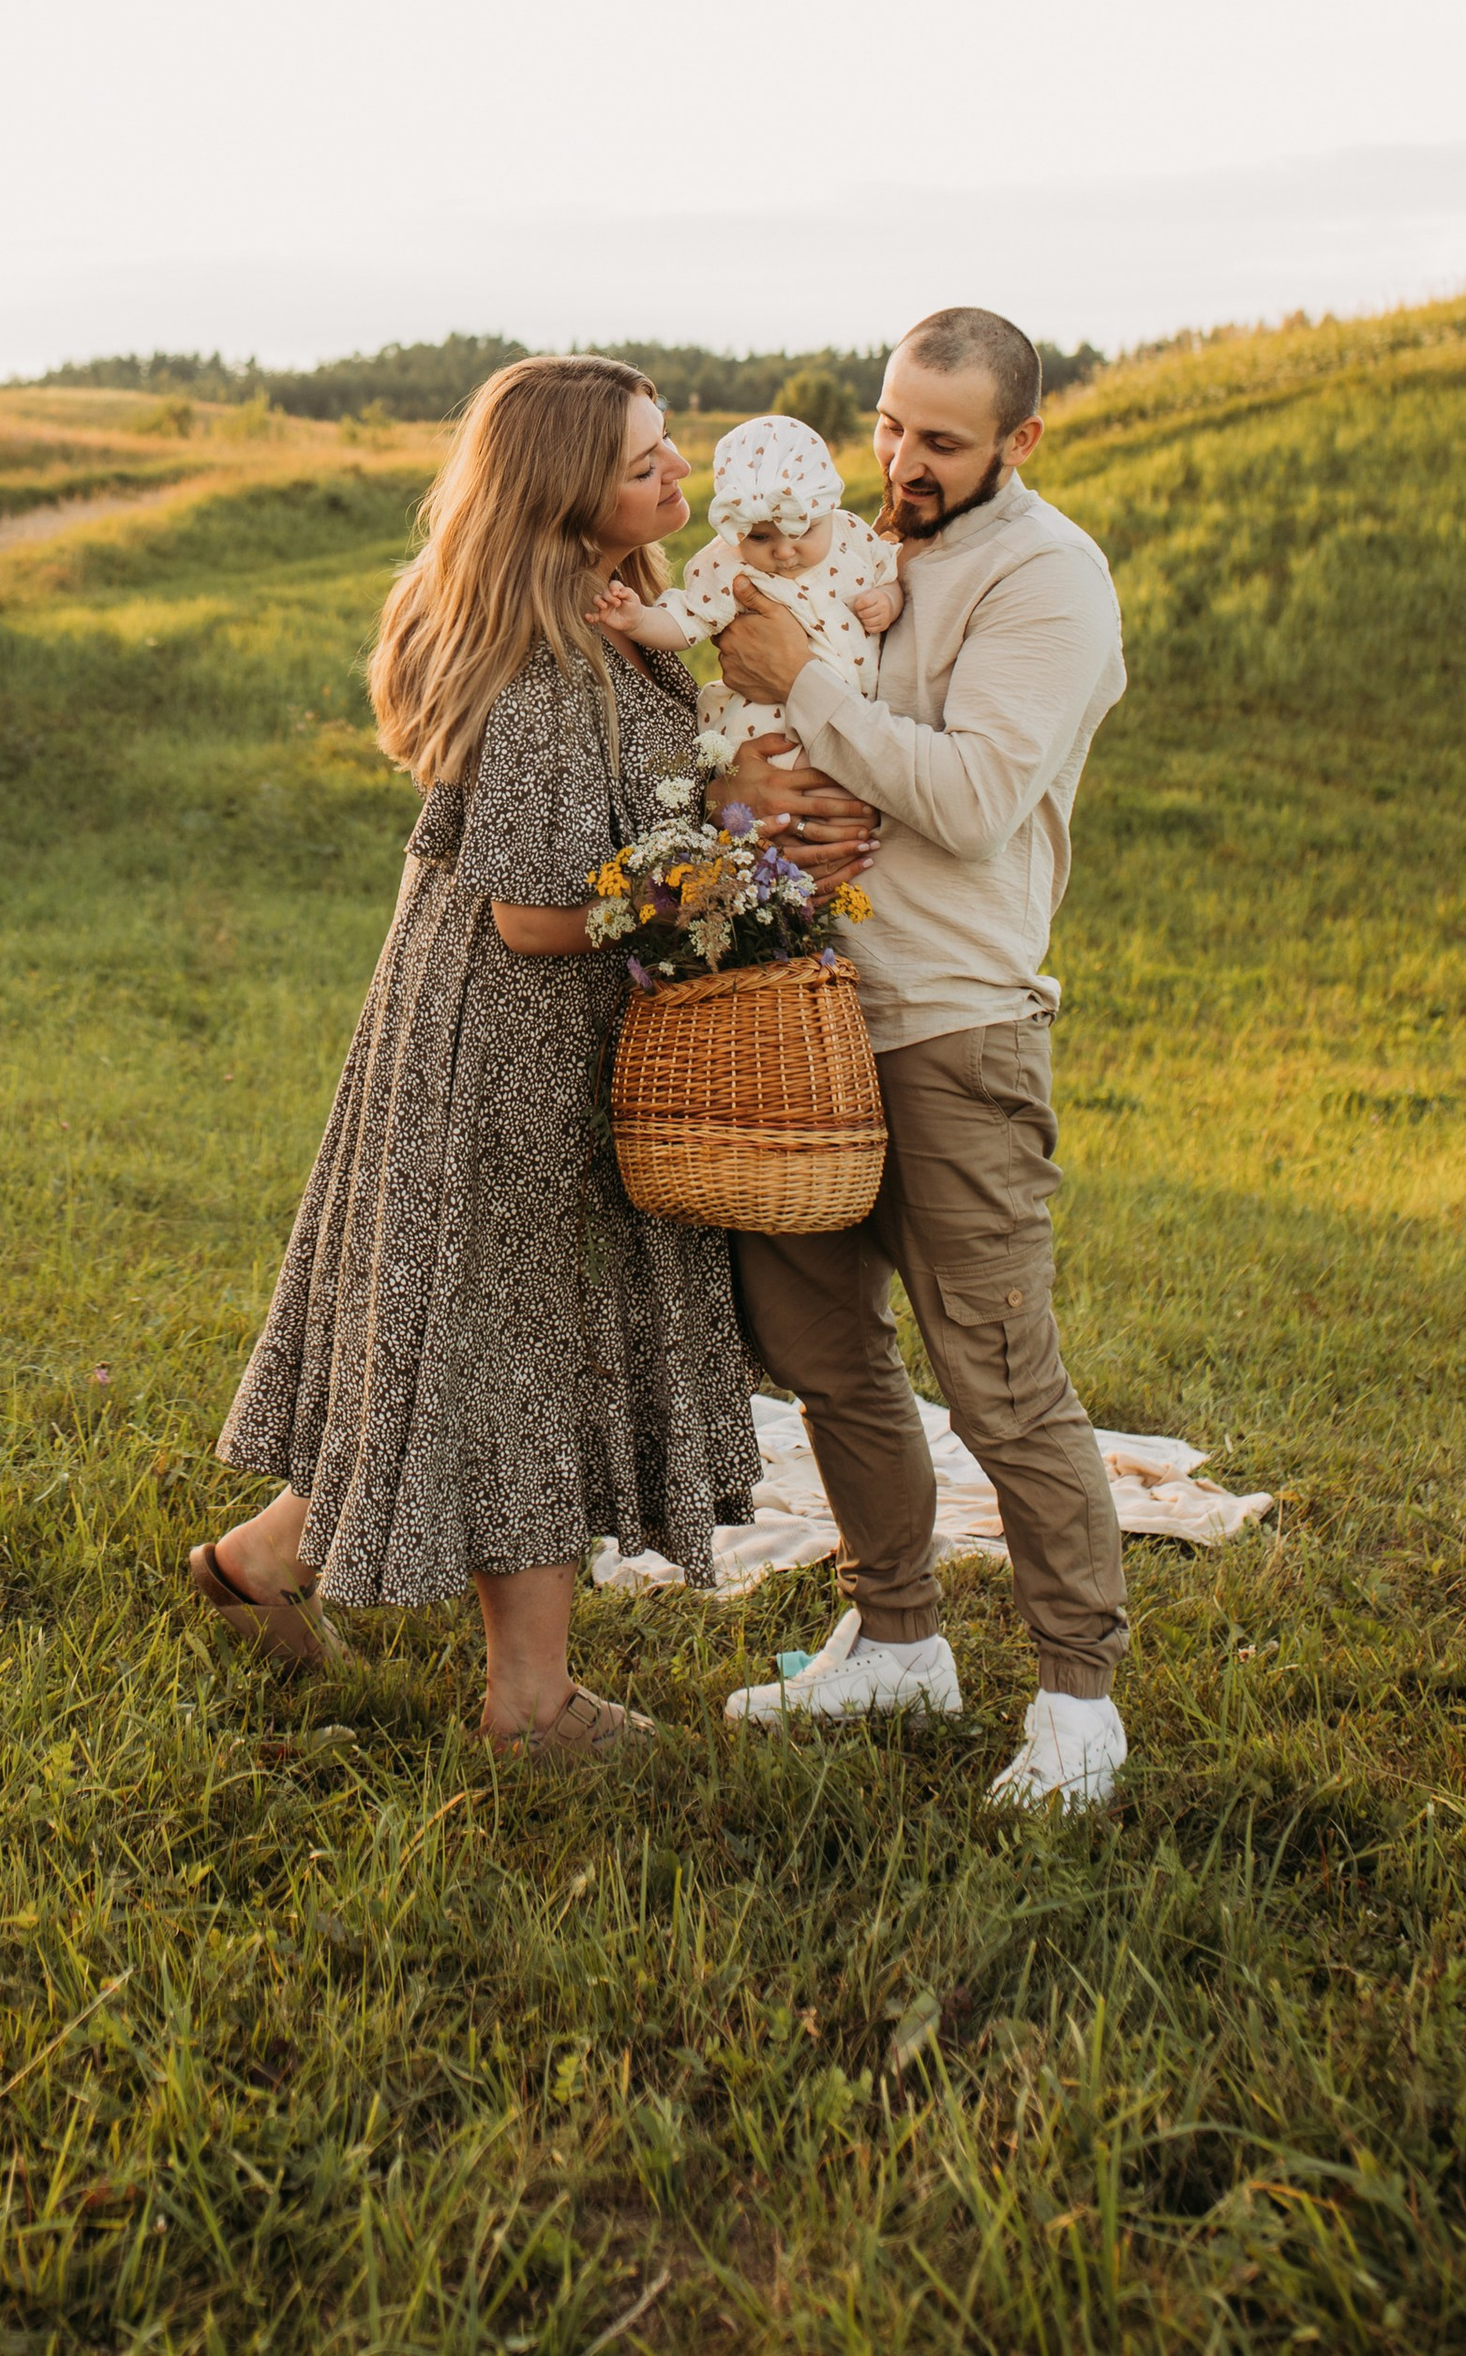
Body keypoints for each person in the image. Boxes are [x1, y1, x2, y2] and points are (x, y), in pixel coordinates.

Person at [192, 355, 877, 1762]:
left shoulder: (607, 620)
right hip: (510, 1043)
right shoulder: (550, 661)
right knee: (515, 1342)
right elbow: (532, 907)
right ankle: (532, 1704)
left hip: (510, 1029)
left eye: (670, 444)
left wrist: (727, 797)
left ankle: (266, 1561)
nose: (680, 473)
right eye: (644, 463)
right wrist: (721, 873)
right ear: (568, 499)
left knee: (461, 1332)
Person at [711, 305, 1132, 1811]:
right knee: (821, 1352)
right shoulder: (847, 553)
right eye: (890, 425)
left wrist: (806, 694)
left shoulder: (1048, 580)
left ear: (1022, 441)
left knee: (1001, 1376)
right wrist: (764, 771)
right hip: (802, 1020)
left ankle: (1079, 1703)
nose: (900, 462)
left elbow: (972, 799)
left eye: (940, 441)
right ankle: (898, 1640)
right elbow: (763, 746)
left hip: (956, 1025)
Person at [593, 410, 902, 761]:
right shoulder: (728, 563)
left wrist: (888, 599)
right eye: (759, 537)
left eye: (803, 531)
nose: (784, 551)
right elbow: (685, 621)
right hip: (775, 723)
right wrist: (639, 620)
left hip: (861, 710)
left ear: (830, 507)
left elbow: (889, 571)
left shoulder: (850, 534)